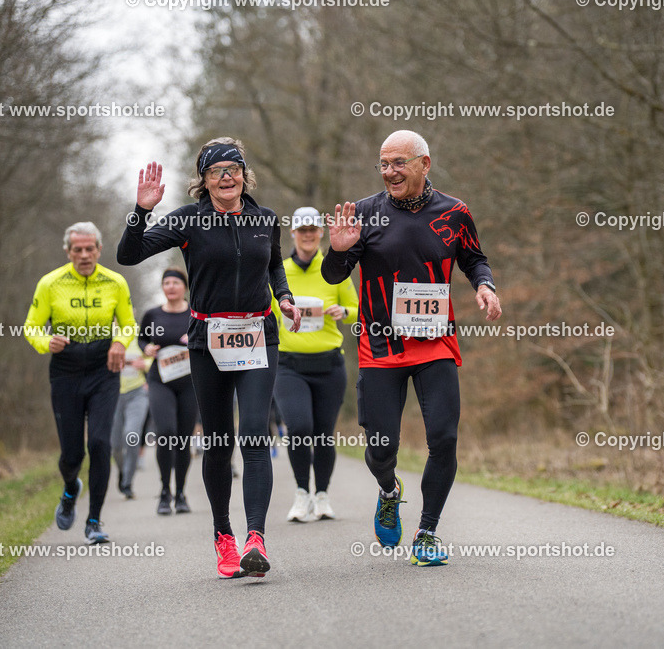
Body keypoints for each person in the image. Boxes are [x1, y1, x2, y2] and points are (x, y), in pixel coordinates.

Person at [118, 138, 301, 578]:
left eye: (232, 169)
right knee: (219, 443)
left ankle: (255, 538)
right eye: (216, 171)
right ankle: (224, 536)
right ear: (203, 179)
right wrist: (141, 211)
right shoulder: (189, 221)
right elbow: (128, 254)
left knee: (254, 434)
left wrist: (286, 297)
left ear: (244, 175)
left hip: (258, 333)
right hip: (207, 340)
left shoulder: (264, 220)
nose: (225, 177)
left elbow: (274, 265)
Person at [322, 130, 501, 566]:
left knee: (444, 437)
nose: (389, 172)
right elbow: (332, 276)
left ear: (425, 163)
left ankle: (427, 531)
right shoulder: (365, 213)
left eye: (399, 163)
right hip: (380, 343)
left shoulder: (455, 212)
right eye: (384, 164)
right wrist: (338, 251)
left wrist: (485, 285)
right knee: (381, 447)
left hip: (435, 341)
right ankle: (388, 490)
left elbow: (473, 257)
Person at [24, 221, 136, 544]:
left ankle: (94, 520)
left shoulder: (115, 283)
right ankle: (71, 486)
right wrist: (47, 342)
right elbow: (31, 327)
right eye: (78, 250)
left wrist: (119, 343)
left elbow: (129, 325)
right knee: (71, 455)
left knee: (100, 444)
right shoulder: (50, 283)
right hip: (66, 368)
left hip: (104, 368)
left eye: (90, 249)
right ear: (68, 252)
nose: (84, 255)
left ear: (99, 250)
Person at [271, 207, 358, 522]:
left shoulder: (333, 269)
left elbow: (355, 307)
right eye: (302, 230)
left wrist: (342, 313)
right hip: (289, 365)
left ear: (321, 233)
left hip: (329, 364)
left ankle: (321, 495)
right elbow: (266, 310)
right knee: (298, 427)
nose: (307, 235)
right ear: (293, 233)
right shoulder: (279, 271)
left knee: (323, 433)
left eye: (313, 230)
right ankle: (301, 493)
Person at [139, 267, 199, 515]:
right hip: (160, 380)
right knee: (165, 433)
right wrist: (147, 349)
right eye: (167, 283)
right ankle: (165, 492)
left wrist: (194, 340)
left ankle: (181, 493)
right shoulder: (153, 314)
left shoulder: (195, 313)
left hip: (190, 382)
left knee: (183, 440)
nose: (171, 287)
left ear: (184, 287)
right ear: (163, 288)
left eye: (176, 282)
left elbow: (208, 337)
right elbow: (142, 338)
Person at [111, 337, 148, 500]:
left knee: (131, 435)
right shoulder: (107, 336)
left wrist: (145, 365)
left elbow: (154, 357)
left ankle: (127, 482)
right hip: (112, 394)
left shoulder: (140, 336)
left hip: (137, 393)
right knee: (115, 445)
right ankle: (123, 470)